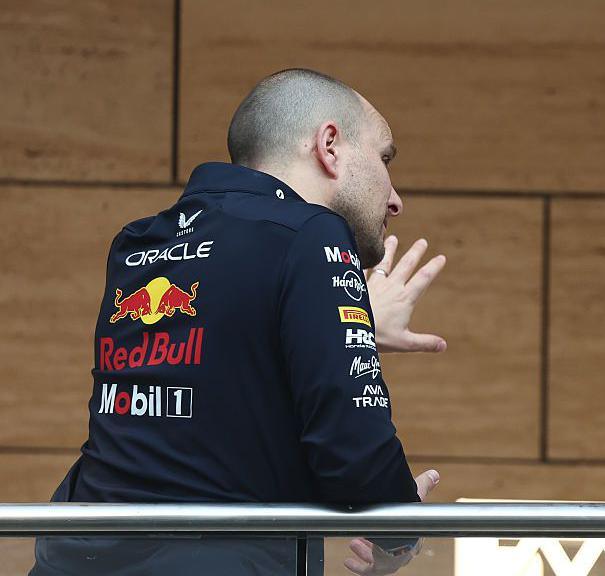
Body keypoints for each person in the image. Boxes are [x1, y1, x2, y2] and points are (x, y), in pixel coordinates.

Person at [32, 68, 447, 575]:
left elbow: (203, 393)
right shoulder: (313, 233)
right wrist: (398, 537)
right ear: (330, 146)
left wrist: (350, 322)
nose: (395, 198)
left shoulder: (142, 242)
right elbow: (351, 442)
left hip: (76, 558)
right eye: (384, 158)